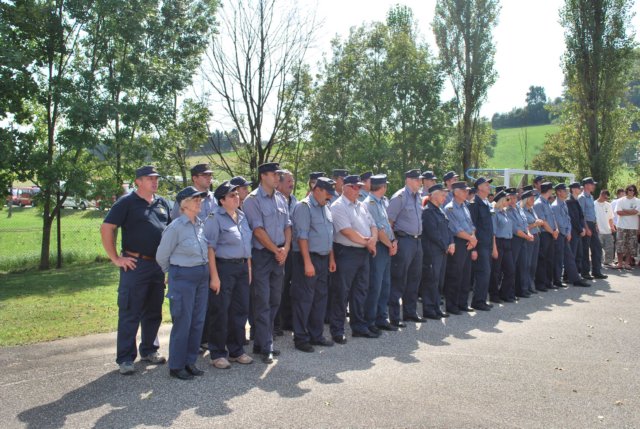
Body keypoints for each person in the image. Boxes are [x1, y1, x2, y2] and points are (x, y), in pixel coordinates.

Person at [100, 165, 170, 375]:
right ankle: (125, 358)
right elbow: (107, 227)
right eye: (149, 178)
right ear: (138, 181)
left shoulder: (162, 203)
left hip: (157, 266)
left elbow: (170, 232)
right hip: (135, 264)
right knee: (130, 311)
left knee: (154, 311)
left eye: (156, 178)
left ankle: (149, 350)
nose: (154, 181)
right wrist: (116, 258)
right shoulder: (127, 202)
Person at [156, 187, 209, 380]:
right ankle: (177, 365)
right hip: (183, 277)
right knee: (183, 322)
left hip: (201, 276)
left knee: (197, 321)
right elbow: (162, 256)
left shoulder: (200, 224)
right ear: (184, 204)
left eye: (200, 199)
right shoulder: (176, 227)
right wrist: (172, 273)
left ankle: (190, 361)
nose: (199, 202)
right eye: (195, 199)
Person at [243, 162, 292, 364]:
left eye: (279, 174)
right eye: (274, 174)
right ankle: (266, 345)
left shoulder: (280, 198)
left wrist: (285, 248)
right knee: (262, 300)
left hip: (280, 255)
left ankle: (262, 340)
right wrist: (276, 250)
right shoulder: (252, 200)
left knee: (275, 300)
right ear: (263, 176)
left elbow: (288, 226)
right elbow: (258, 231)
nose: (277, 177)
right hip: (263, 255)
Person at [204, 181, 254, 369]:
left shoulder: (241, 215)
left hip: (242, 268)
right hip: (223, 268)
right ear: (222, 200)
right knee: (220, 310)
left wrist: (248, 268)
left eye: (237, 194)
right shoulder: (214, 217)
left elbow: (246, 245)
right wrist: (214, 276)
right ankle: (217, 353)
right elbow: (210, 248)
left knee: (240, 310)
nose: (237, 198)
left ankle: (236, 350)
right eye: (232, 195)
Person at [290, 177, 337, 352]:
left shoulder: (326, 206)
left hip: (323, 258)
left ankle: (316, 335)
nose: (330, 197)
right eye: (327, 193)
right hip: (307, 258)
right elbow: (302, 237)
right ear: (317, 190)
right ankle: (301, 338)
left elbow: (329, 235)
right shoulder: (304, 207)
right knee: (304, 299)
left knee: (320, 298)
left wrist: (331, 258)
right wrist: (307, 262)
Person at [330, 175, 378, 342]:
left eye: (359, 187)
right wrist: (368, 243)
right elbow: (347, 232)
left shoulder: (361, 205)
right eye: (355, 187)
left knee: (360, 290)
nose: (358, 190)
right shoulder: (338, 206)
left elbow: (373, 225)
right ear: (345, 187)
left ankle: (358, 326)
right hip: (346, 253)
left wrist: (372, 240)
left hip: (363, 252)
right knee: (341, 292)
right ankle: (337, 330)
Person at [387, 169, 426, 325]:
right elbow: (389, 222)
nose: (420, 182)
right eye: (417, 180)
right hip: (404, 241)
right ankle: (394, 316)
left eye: (420, 180)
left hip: (417, 241)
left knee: (414, 278)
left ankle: (410, 312)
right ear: (408, 180)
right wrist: (393, 241)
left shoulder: (418, 197)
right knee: (399, 279)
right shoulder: (400, 197)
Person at [363, 174, 398, 332]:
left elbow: (388, 226)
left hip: (386, 246)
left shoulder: (381, 202)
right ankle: (370, 321)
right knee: (375, 286)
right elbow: (378, 229)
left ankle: (381, 318)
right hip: (379, 247)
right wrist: (390, 244)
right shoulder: (369, 203)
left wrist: (394, 240)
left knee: (385, 285)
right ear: (382, 187)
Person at [443, 181, 477, 315]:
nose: (466, 193)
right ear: (456, 192)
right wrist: (471, 239)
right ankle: (452, 305)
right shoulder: (450, 208)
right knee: (455, 275)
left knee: (466, 275)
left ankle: (463, 303)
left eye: (467, 190)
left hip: (468, 242)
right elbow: (455, 229)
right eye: (464, 190)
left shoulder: (465, 206)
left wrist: (473, 238)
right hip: (458, 243)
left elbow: (471, 225)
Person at [421, 184, 454, 319]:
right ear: (433, 195)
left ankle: (436, 307)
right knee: (431, 280)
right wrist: (445, 245)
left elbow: (448, 228)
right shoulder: (428, 211)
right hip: (433, 251)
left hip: (442, 250)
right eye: (442, 194)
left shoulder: (440, 210)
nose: (445, 197)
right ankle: (429, 309)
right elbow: (433, 233)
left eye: (445, 195)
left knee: (439, 281)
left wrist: (451, 242)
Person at [551, 184, 590, 288]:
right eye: (564, 191)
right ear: (558, 192)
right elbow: (559, 222)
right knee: (559, 259)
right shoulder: (555, 206)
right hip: (560, 235)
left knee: (569, 257)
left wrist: (568, 232)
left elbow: (568, 219)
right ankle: (557, 280)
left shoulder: (563, 203)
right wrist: (565, 232)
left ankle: (575, 279)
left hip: (565, 234)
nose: (566, 192)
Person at [274, 169, 297, 336]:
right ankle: (276, 323)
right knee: (278, 287)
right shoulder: (275, 200)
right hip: (279, 249)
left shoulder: (295, 201)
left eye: (293, 181)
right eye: (288, 181)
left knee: (290, 286)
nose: (292, 184)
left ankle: (288, 320)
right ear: (279, 183)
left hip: (293, 249)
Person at [468, 177, 495, 311]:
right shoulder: (474, 204)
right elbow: (472, 226)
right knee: (483, 272)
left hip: (487, 243)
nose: (489, 186)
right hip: (480, 245)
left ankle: (482, 299)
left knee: (486, 272)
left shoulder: (486, 203)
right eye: (486, 184)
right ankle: (478, 301)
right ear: (479, 187)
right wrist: (474, 248)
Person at [506, 187, 535, 298]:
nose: (513, 200)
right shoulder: (507, 210)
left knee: (523, 264)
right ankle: (511, 291)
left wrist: (528, 233)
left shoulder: (519, 208)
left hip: (523, 238)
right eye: (511, 197)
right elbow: (515, 229)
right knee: (513, 266)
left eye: (515, 197)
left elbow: (525, 223)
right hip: (515, 239)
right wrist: (527, 236)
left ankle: (522, 289)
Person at [489, 190, 516, 303]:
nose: (509, 201)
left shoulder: (505, 212)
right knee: (496, 271)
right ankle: (494, 295)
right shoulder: (494, 213)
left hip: (507, 242)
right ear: (501, 200)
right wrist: (494, 248)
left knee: (510, 270)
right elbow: (493, 233)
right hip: (498, 242)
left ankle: (505, 293)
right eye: (507, 199)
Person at [578, 177, 607, 279]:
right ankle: (585, 272)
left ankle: (596, 271)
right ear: (586, 185)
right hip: (586, 224)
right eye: (592, 184)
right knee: (585, 249)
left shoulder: (590, 196)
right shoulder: (581, 197)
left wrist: (595, 225)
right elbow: (581, 215)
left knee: (597, 248)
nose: (594, 186)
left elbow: (592, 213)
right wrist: (586, 228)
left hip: (592, 224)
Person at [533, 182, 559, 292]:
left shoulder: (547, 202)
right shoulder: (539, 203)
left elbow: (552, 218)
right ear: (549, 190)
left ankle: (548, 282)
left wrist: (556, 229)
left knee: (550, 259)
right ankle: (540, 283)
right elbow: (543, 222)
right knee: (542, 259)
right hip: (544, 234)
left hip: (551, 233)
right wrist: (553, 232)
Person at [521, 188, 543, 294]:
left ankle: (531, 284)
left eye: (533, 197)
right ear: (526, 199)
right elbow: (524, 227)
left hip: (536, 236)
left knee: (534, 263)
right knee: (527, 263)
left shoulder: (532, 209)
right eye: (531, 198)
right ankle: (525, 286)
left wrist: (537, 223)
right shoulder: (522, 210)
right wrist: (535, 224)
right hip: (528, 238)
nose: (533, 199)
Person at [615, 184, 639, 270]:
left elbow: (636, 212)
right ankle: (620, 263)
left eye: (633, 190)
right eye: (630, 190)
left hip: (633, 227)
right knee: (620, 245)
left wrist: (624, 210)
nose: (631, 191)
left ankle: (627, 263)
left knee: (630, 246)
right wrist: (631, 212)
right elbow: (619, 212)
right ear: (627, 190)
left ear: (635, 191)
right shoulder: (620, 200)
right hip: (621, 226)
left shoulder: (638, 201)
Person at [567, 182, 586, 277]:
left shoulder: (576, 200)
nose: (580, 189)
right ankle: (568, 275)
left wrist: (582, 227)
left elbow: (580, 216)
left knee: (579, 253)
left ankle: (576, 274)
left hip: (578, 231)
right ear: (573, 189)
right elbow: (573, 218)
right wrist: (580, 229)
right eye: (578, 188)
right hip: (573, 231)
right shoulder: (569, 201)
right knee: (572, 254)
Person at [595, 190, 616, 266]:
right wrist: (595, 226)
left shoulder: (608, 205)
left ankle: (609, 261)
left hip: (608, 230)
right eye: (605, 197)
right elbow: (593, 217)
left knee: (610, 247)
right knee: (598, 248)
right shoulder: (593, 204)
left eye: (607, 198)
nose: (606, 199)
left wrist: (612, 227)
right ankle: (598, 262)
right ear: (601, 195)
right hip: (598, 230)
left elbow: (610, 218)